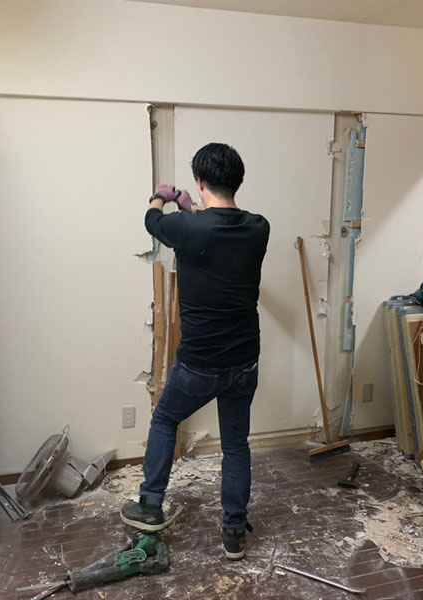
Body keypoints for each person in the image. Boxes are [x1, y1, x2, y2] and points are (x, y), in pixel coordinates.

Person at [120, 142, 270, 561]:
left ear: (200, 181)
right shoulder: (259, 227)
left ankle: (150, 506)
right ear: (238, 181)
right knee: (236, 444)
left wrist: (162, 196)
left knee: (166, 418)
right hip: (245, 360)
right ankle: (234, 532)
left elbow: (152, 221)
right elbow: (216, 225)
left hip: (200, 363)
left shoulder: (188, 229)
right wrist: (191, 207)